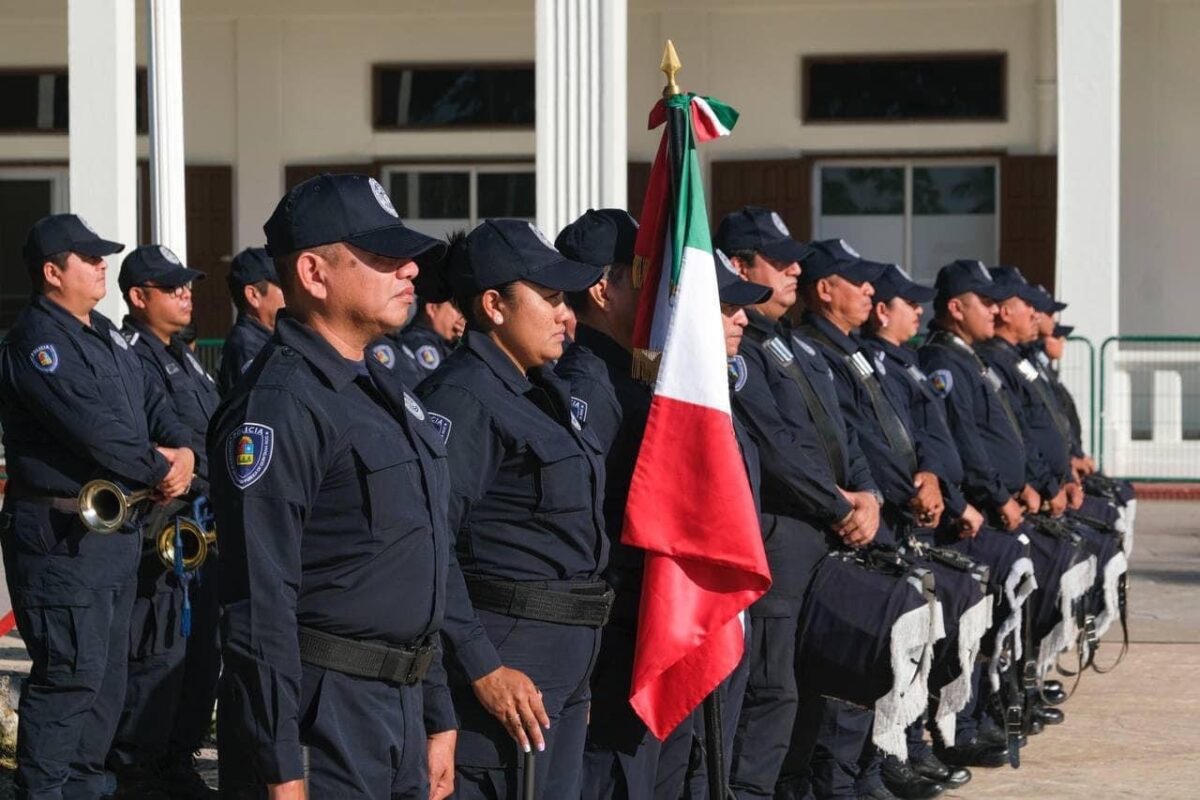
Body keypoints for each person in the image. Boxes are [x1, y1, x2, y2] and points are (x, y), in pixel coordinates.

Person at [209, 173, 457, 799]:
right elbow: (258, 603)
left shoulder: (378, 388)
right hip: (323, 718)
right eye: (382, 257)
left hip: (396, 709)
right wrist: (280, 766)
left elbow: (414, 562)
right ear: (315, 274)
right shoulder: (281, 404)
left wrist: (437, 711)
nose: (410, 270)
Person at [0, 214, 196, 799]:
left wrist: (183, 450)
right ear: (52, 272)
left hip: (112, 532)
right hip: (61, 533)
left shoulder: (104, 333)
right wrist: (160, 467)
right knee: (71, 676)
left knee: (107, 680)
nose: (101, 265)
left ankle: (87, 788)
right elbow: (94, 429)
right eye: (88, 258)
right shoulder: (37, 343)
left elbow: (152, 402)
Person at [416, 218, 611, 800]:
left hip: (562, 660)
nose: (565, 314)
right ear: (494, 305)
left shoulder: (539, 388)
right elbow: (430, 545)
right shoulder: (464, 397)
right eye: (549, 297)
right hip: (508, 658)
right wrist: (483, 667)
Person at [715, 207, 882, 800]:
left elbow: (846, 437)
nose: (794, 271)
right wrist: (841, 507)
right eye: (779, 261)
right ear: (739, 267)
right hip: (782, 544)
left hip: (824, 540)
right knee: (772, 694)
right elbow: (778, 450)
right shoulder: (742, 354)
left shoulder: (796, 347)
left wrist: (870, 497)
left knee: (817, 683)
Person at [109, 245, 219, 798]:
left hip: (203, 520)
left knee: (200, 653)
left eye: (188, 285)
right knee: (158, 648)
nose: (186, 294)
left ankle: (178, 758)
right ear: (138, 296)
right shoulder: (131, 354)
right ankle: (138, 769)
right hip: (163, 525)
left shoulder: (182, 354)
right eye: (172, 287)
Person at [217, 247, 284, 395]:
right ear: (253, 295)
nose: (289, 292)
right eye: (282, 285)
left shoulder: (266, 340)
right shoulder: (247, 347)